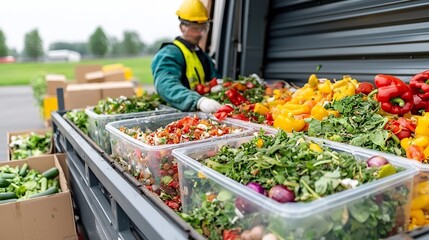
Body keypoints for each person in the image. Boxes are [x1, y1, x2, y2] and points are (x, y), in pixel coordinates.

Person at [151, 0, 222, 113]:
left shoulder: (201, 54)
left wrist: (221, 84)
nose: (201, 34)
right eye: (195, 28)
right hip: (178, 116)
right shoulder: (170, 53)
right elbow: (166, 84)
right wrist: (198, 101)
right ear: (182, 27)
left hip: (200, 116)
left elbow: (213, 78)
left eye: (204, 28)